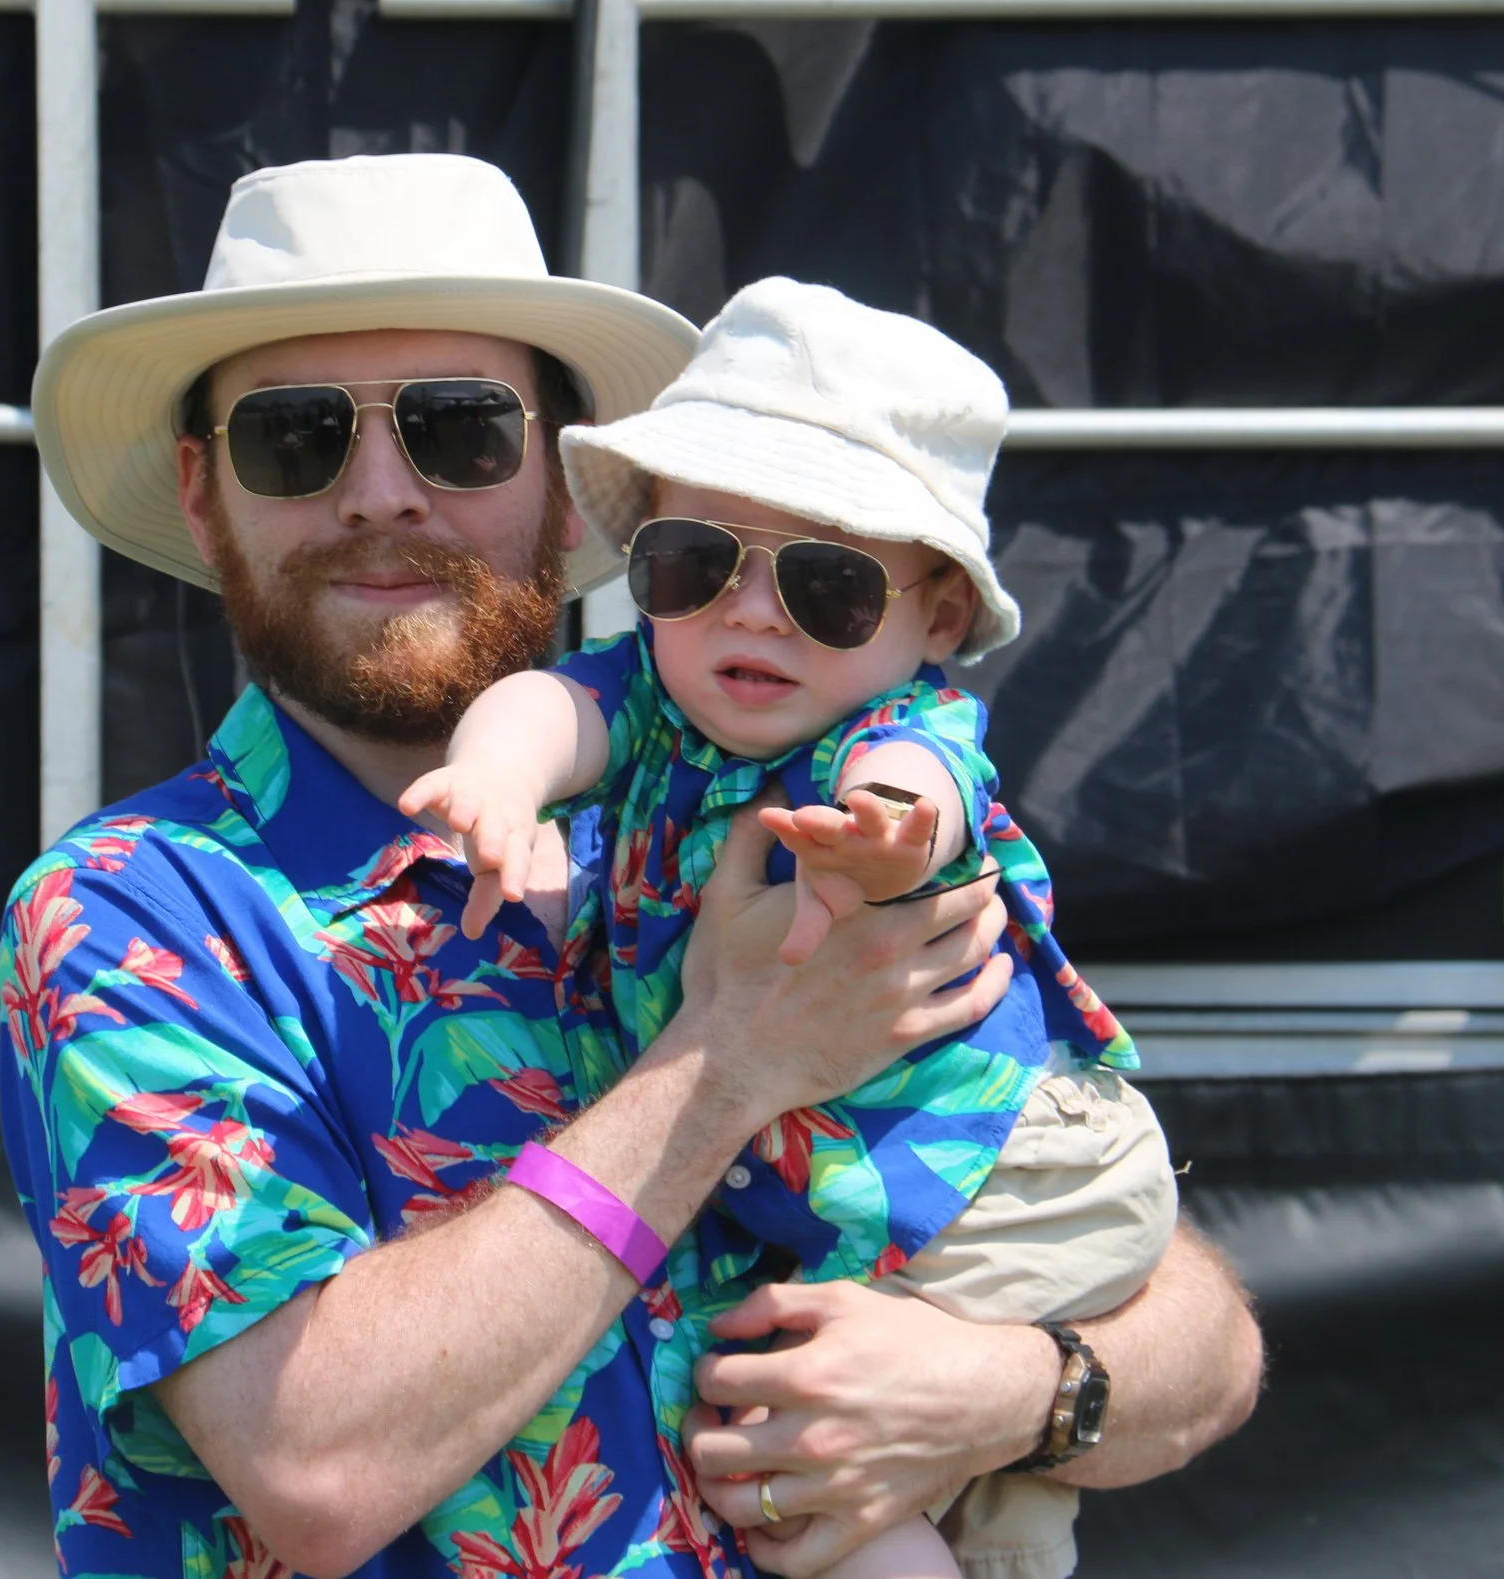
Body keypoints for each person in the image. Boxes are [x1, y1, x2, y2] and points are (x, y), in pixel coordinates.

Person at [0, 153, 1261, 1579]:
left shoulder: (738, 795)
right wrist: (725, 1068)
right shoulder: (133, 910)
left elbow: (1204, 1342)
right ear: (204, 489)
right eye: (294, 439)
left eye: (459, 430)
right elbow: (316, 1460)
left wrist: (1008, 1389)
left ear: (563, 470)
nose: (379, 495)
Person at [402, 279, 1177, 1579]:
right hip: (843, 1199)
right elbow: (545, 706)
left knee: (834, 1456)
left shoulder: (885, 733)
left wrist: (888, 836)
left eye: (827, 583)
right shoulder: (652, 701)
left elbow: (926, 788)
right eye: (694, 563)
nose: (751, 611)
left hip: (1007, 1169)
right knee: (839, 1483)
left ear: (934, 621)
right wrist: (496, 777)